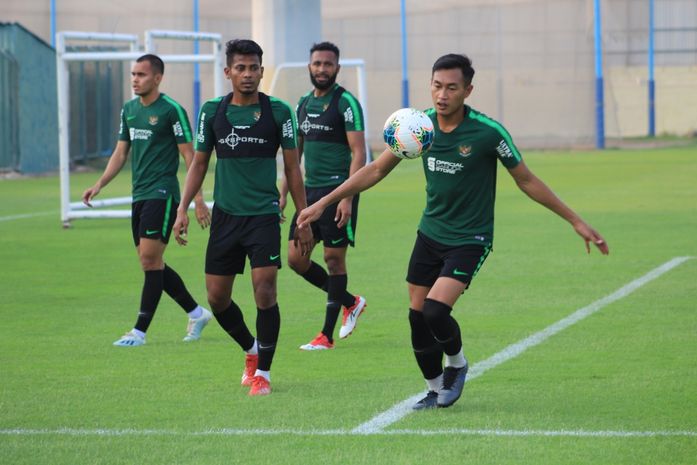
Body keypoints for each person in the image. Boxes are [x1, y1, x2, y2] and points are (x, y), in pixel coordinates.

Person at [297, 53, 609, 409]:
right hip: (430, 234)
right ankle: (433, 389)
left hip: (469, 238)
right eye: (436, 86)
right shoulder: (419, 127)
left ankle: (457, 364)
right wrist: (323, 202)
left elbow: (526, 180)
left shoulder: (487, 132)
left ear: (467, 90)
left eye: (451, 88)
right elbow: (376, 170)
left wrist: (575, 220)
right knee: (416, 317)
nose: (442, 95)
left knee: (434, 311)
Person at [173, 39, 314, 397]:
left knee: (264, 292)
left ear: (262, 71)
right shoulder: (212, 112)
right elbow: (199, 164)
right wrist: (183, 208)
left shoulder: (279, 112)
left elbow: (293, 169)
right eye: (240, 68)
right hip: (225, 218)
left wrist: (304, 215)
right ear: (228, 72)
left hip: (263, 217)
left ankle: (263, 372)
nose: (247, 74)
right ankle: (250, 349)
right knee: (217, 297)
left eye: (253, 68)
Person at [82, 54, 212, 347]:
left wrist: (198, 200)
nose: (135, 79)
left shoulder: (171, 111)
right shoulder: (128, 110)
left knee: (149, 259)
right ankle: (197, 312)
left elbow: (191, 156)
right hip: (139, 194)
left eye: (141, 74)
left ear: (157, 78)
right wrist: (100, 183)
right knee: (151, 261)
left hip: (163, 193)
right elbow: (120, 153)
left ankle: (139, 331)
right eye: (133, 74)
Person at [279, 42, 367, 351]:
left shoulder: (346, 104)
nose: (322, 69)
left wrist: (347, 197)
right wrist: (284, 192)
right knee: (295, 259)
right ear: (309, 66)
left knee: (332, 259)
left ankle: (326, 336)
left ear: (337, 68)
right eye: (317, 63)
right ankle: (350, 302)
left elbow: (360, 153)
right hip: (309, 195)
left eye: (328, 64)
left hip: (339, 191)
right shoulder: (302, 104)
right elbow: (294, 155)